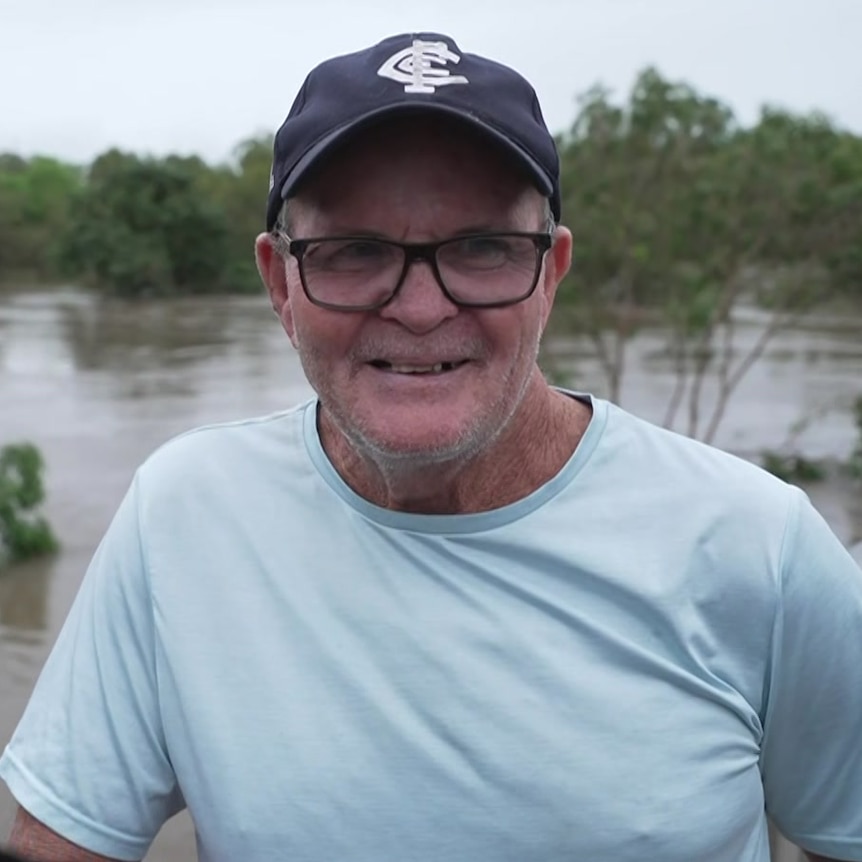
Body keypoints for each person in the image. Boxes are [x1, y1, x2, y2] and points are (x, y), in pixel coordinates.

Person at [1, 31, 861, 862]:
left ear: (552, 273)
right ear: (279, 283)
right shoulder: (183, 515)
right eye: (354, 251)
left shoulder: (761, 546)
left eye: (483, 248)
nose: (418, 309)